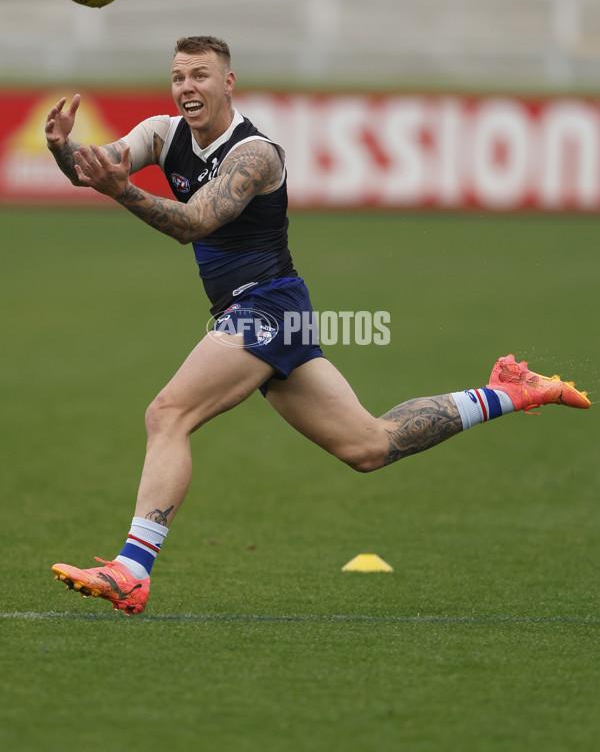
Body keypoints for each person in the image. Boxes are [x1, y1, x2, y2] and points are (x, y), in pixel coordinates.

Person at [46, 35, 590, 616]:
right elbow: (95, 169)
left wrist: (123, 190)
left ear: (228, 83)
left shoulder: (256, 154)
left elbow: (192, 224)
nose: (187, 87)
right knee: (368, 446)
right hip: (267, 309)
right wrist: (61, 148)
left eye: (200, 75)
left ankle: (131, 570)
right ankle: (506, 391)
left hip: (265, 308)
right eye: (178, 76)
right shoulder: (161, 132)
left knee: (168, 413)